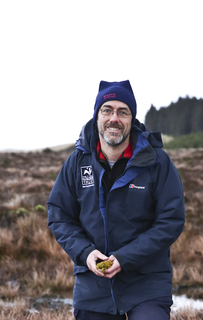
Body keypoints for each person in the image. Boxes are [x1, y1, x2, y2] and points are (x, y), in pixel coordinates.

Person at [47, 80, 185, 320]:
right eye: (107, 110)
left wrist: (126, 257)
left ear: (132, 119)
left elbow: (171, 220)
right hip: (93, 286)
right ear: (97, 116)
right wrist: (85, 253)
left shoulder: (157, 162)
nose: (114, 118)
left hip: (146, 282)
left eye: (123, 112)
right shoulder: (77, 163)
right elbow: (59, 215)